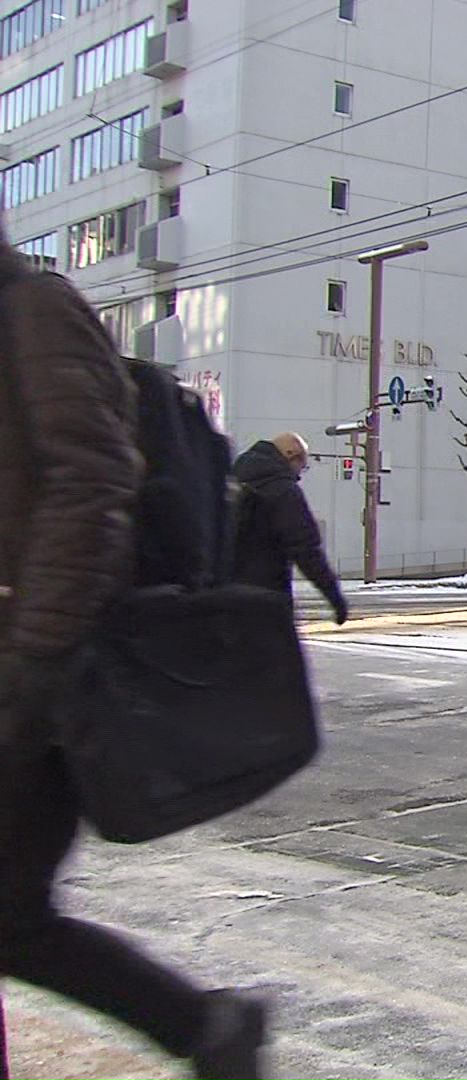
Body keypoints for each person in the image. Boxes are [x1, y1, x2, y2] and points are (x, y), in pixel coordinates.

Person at [0, 227, 270, 1079]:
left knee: (8, 916)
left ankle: (200, 1022)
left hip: (37, 676)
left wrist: (34, 659)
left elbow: (93, 482)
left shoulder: (32, 309)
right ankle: (203, 1024)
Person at [231, 432, 349, 625]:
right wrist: (334, 596)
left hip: (226, 598)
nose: (298, 477)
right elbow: (306, 548)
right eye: (300, 468)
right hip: (267, 598)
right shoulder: (282, 490)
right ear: (290, 455)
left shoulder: (231, 480)